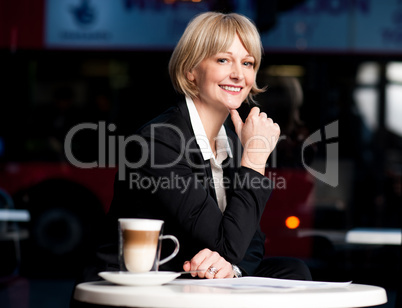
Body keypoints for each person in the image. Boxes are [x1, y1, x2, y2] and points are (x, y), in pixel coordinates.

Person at [78, 11, 311, 283]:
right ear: (191, 71)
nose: (238, 74)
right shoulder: (160, 140)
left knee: (293, 271)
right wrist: (256, 157)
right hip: (144, 279)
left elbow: (250, 240)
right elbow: (227, 244)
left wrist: (230, 268)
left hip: (196, 275)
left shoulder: (235, 140)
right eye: (223, 60)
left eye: (247, 63)